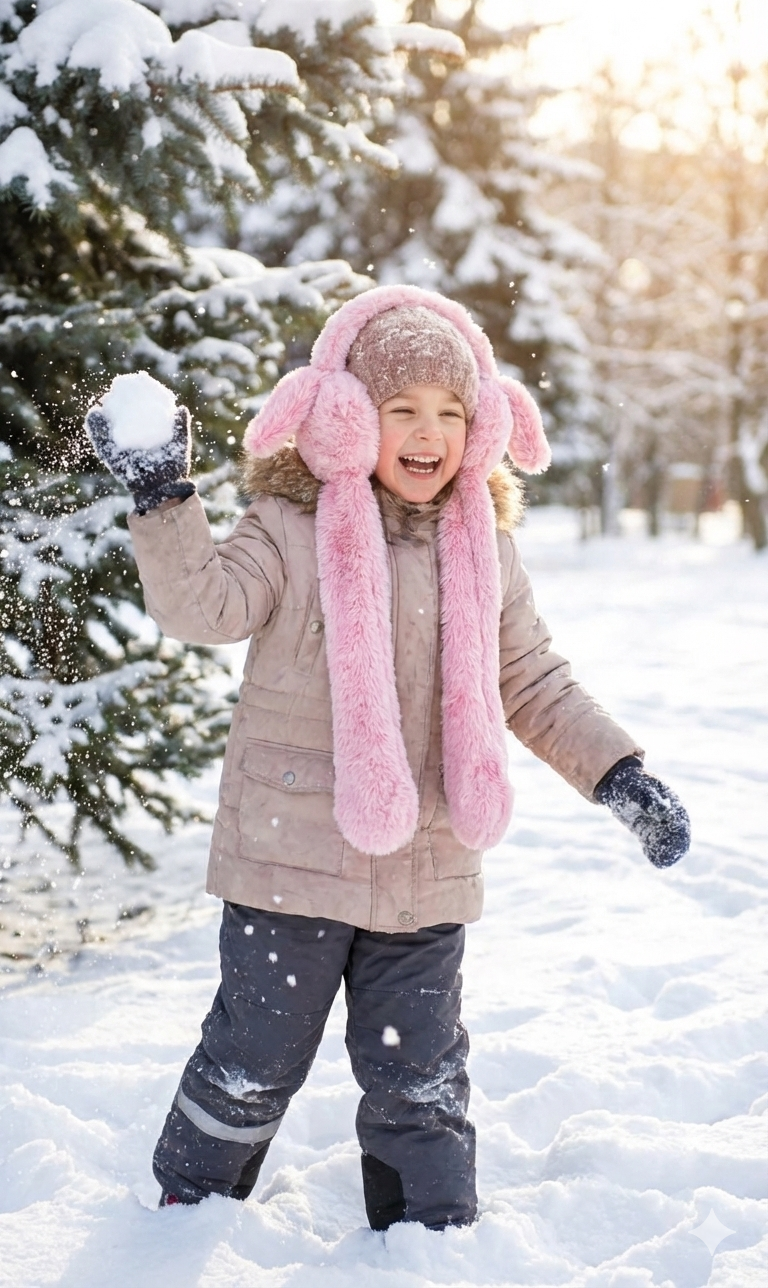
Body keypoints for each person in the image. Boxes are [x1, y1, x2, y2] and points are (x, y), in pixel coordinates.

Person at [85, 285, 690, 1229]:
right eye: (400, 408)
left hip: (428, 863)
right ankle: (184, 1210)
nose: (427, 431)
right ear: (348, 416)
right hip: (292, 859)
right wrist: (164, 497)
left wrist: (619, 772)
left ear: (480, 427)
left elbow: (530, 680)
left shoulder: (485, 547)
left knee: (420, 1072)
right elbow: (204, 607)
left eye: (450, 412)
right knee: (255, 1053)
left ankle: (426, 1236)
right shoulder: (287, 528)